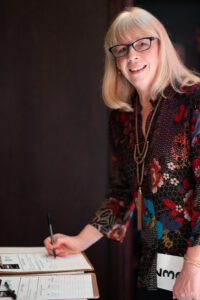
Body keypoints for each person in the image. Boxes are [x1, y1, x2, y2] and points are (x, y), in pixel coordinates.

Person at [44, 7, 200, 300]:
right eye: (122, 49)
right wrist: (79, 241)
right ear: (115, 62)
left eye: (142, 43)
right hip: (154, 254)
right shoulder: (123, 117)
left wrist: (193, 265)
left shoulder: (193, 99)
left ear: (161, 46)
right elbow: (121, 194)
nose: (132, 56)